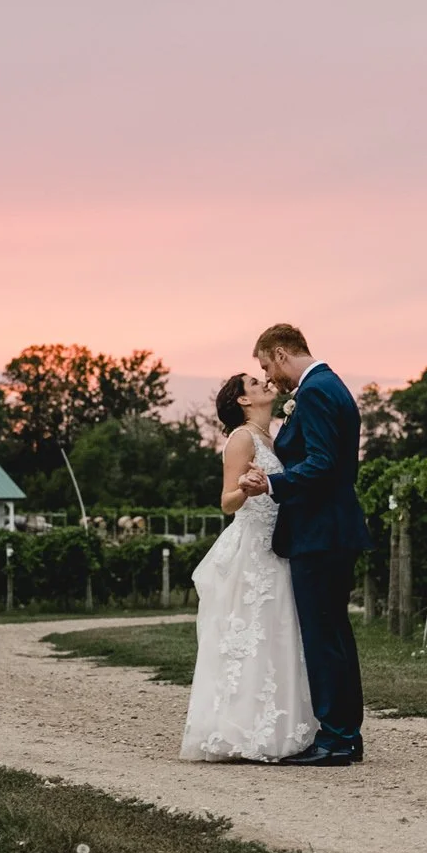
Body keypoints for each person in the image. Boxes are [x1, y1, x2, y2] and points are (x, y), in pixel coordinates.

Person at [237, 323, 369, 766]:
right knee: (334, 635)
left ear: (280, 353)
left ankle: (335, 739)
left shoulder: (314, 392)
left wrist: (272, 485)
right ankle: (346, 734)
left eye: (265, 366)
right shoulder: (329, 385)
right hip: (331, 530)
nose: (268, 377)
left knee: (322, 637)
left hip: (319, 533)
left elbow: (321, 464)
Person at [179, 370, 317, 761]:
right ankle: (239, 729)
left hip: (277, 547)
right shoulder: (242, 438)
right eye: (255, 383)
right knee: (250, 637)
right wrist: (246, 486)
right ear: (243, 400)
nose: (264, 384)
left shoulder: (273, 438)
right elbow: (226, 502)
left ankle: (279, 727)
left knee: (277, 635)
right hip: (252, 550)